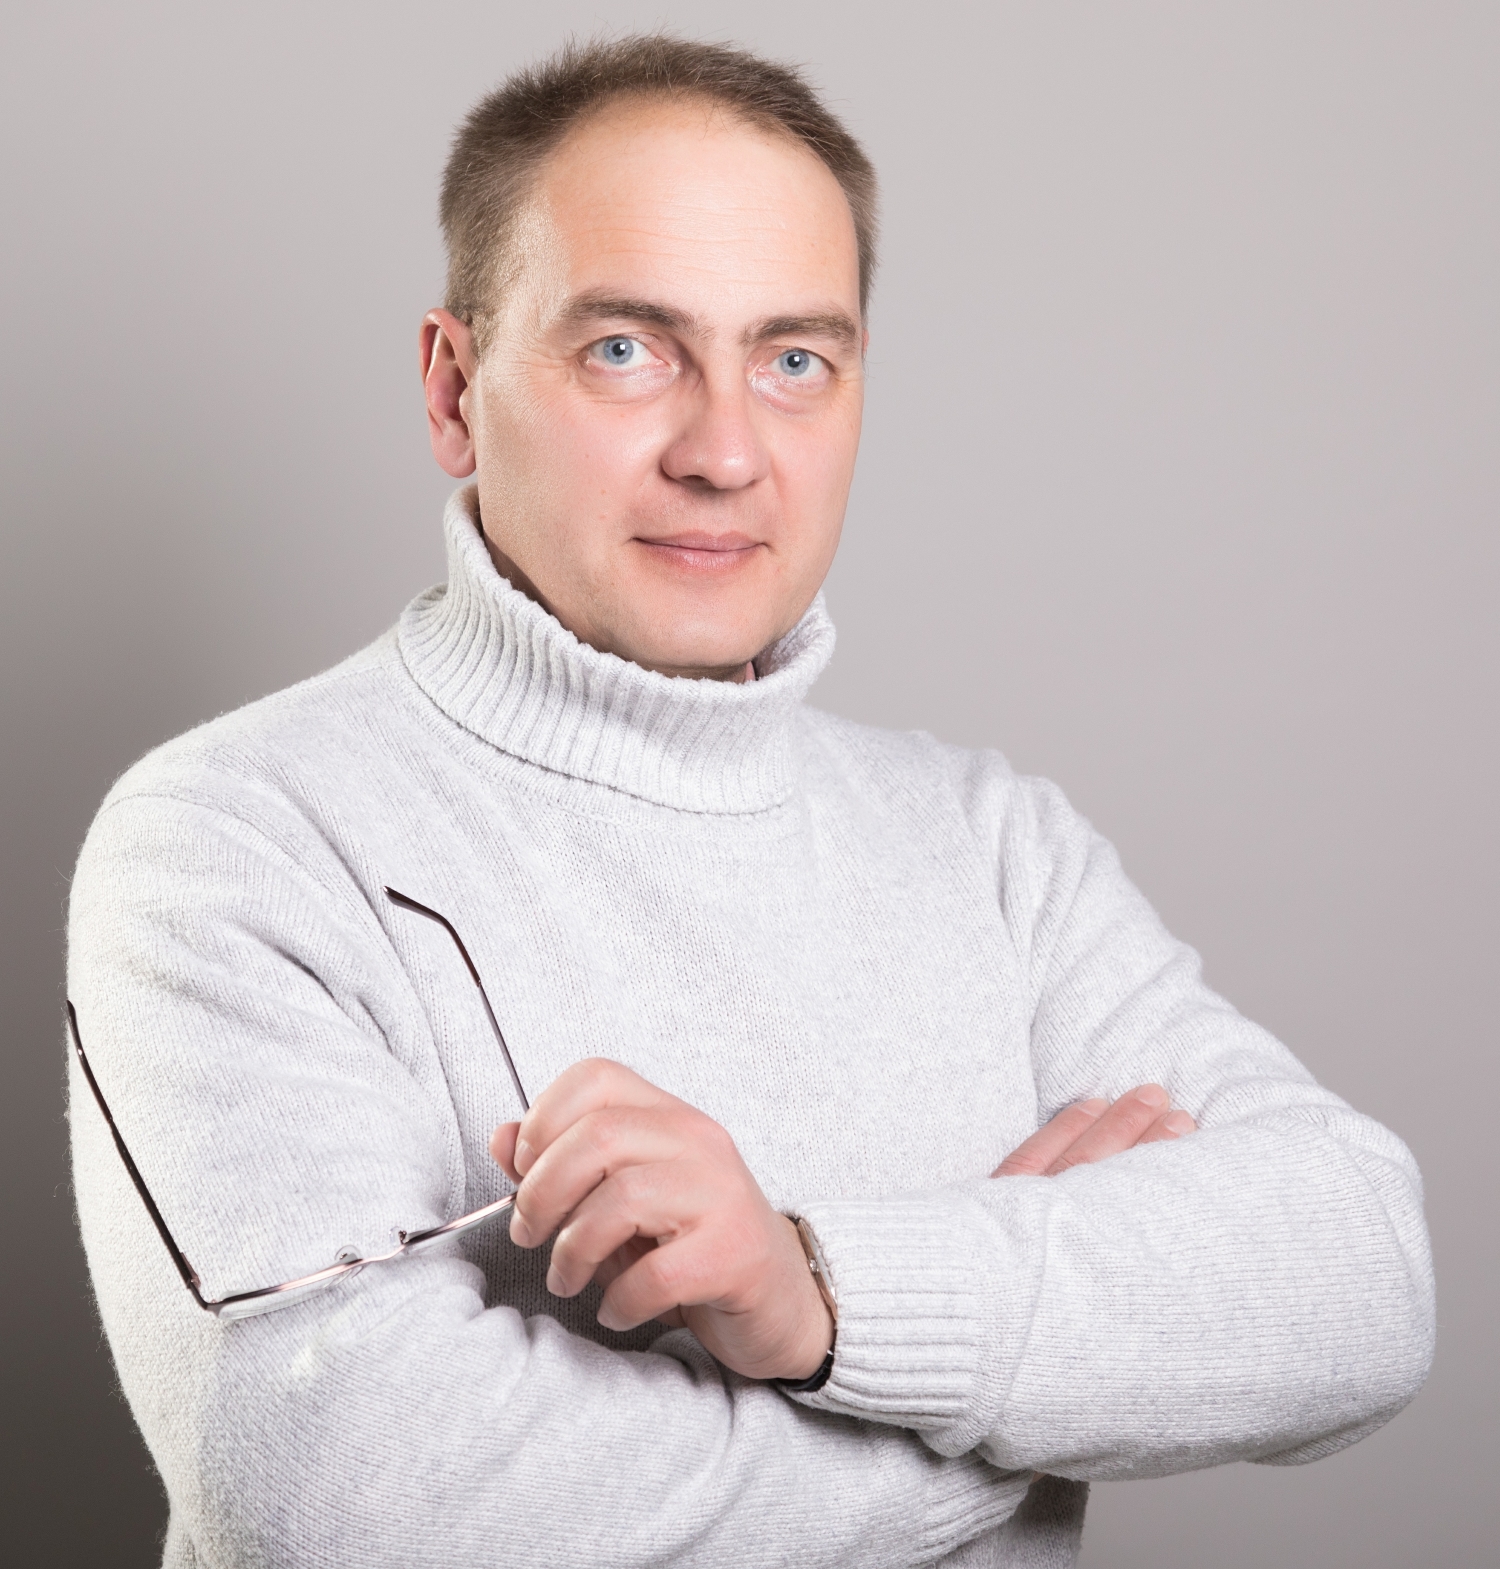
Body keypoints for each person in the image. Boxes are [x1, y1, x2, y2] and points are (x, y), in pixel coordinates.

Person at [67, 34, 1434, 1569]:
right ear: (455, 392)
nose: (725, 452)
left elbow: (1362, 1274)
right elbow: (343, 1501)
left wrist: (820, 1293)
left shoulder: (993, 845)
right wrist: (1015, 1399)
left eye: (795, 361)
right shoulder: (236, 840)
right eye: (626, 349)